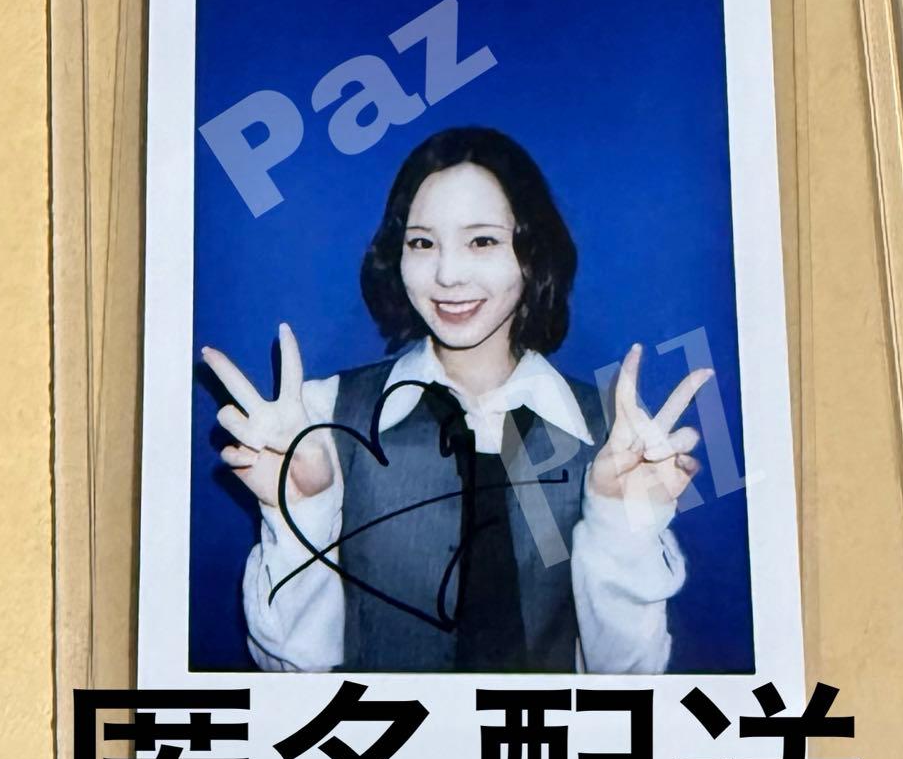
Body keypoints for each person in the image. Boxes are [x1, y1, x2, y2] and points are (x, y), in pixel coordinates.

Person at [202, 127, 712, 674]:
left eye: (482, 241)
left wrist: (618, 521)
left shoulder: (611, 435)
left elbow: (629, 684)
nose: (447, 275)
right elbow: (294, 679)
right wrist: (299, 512)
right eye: (422, 243)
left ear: (533, 253)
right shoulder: (325, 419)